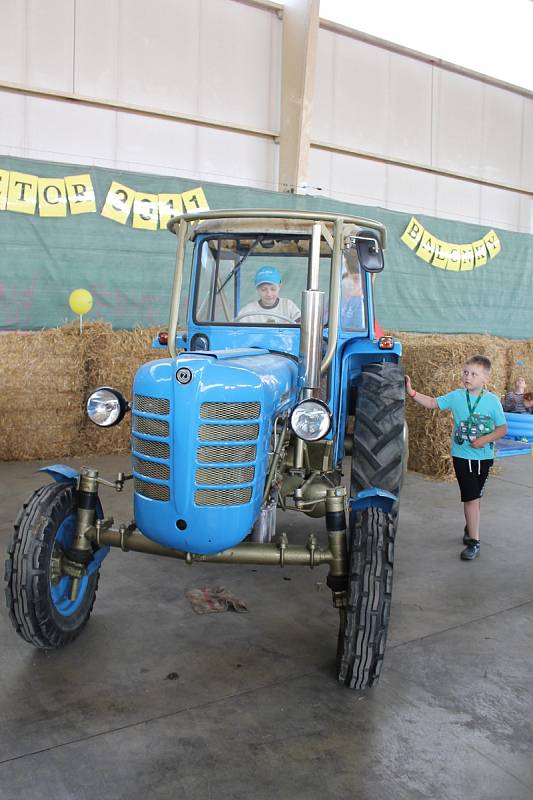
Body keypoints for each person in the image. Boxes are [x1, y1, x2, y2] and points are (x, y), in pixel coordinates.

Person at [405, 355, 507, 561]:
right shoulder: (457, 396)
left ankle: (470, 526)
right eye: (465, 372)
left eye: (473, 374)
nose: (467, 377)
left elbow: (502, 429)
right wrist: (412, 392)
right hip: (461, 456)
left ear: (485, 379)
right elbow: (433, 403)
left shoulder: (492, 401)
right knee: (470, 497)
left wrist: (484, 439)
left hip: (484, 458)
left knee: (476, 497)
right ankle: (474, 542)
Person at [235, 265, 301, 324]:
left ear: (280, 286)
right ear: (257, 289)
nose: (269, 294)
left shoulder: (288, 305)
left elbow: (302, 323)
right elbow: (235, 329)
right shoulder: (248, 312)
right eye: (263, 289)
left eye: (273, 289)